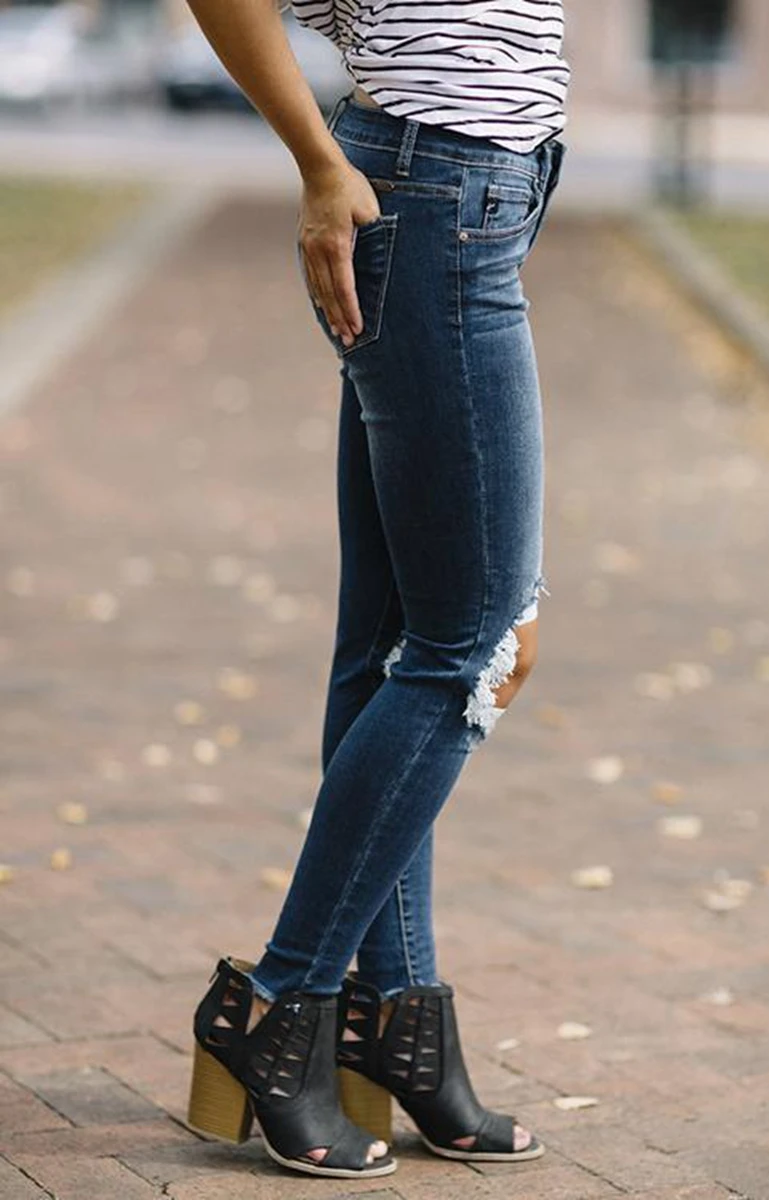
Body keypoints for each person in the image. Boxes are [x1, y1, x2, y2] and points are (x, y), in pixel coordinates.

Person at [184, 0, 569, 1181]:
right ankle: (278, 1003)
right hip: (432, 193)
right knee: (476, 648)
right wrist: (313, 159)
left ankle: (391, 1019)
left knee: (396, 644)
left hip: (467, 195)